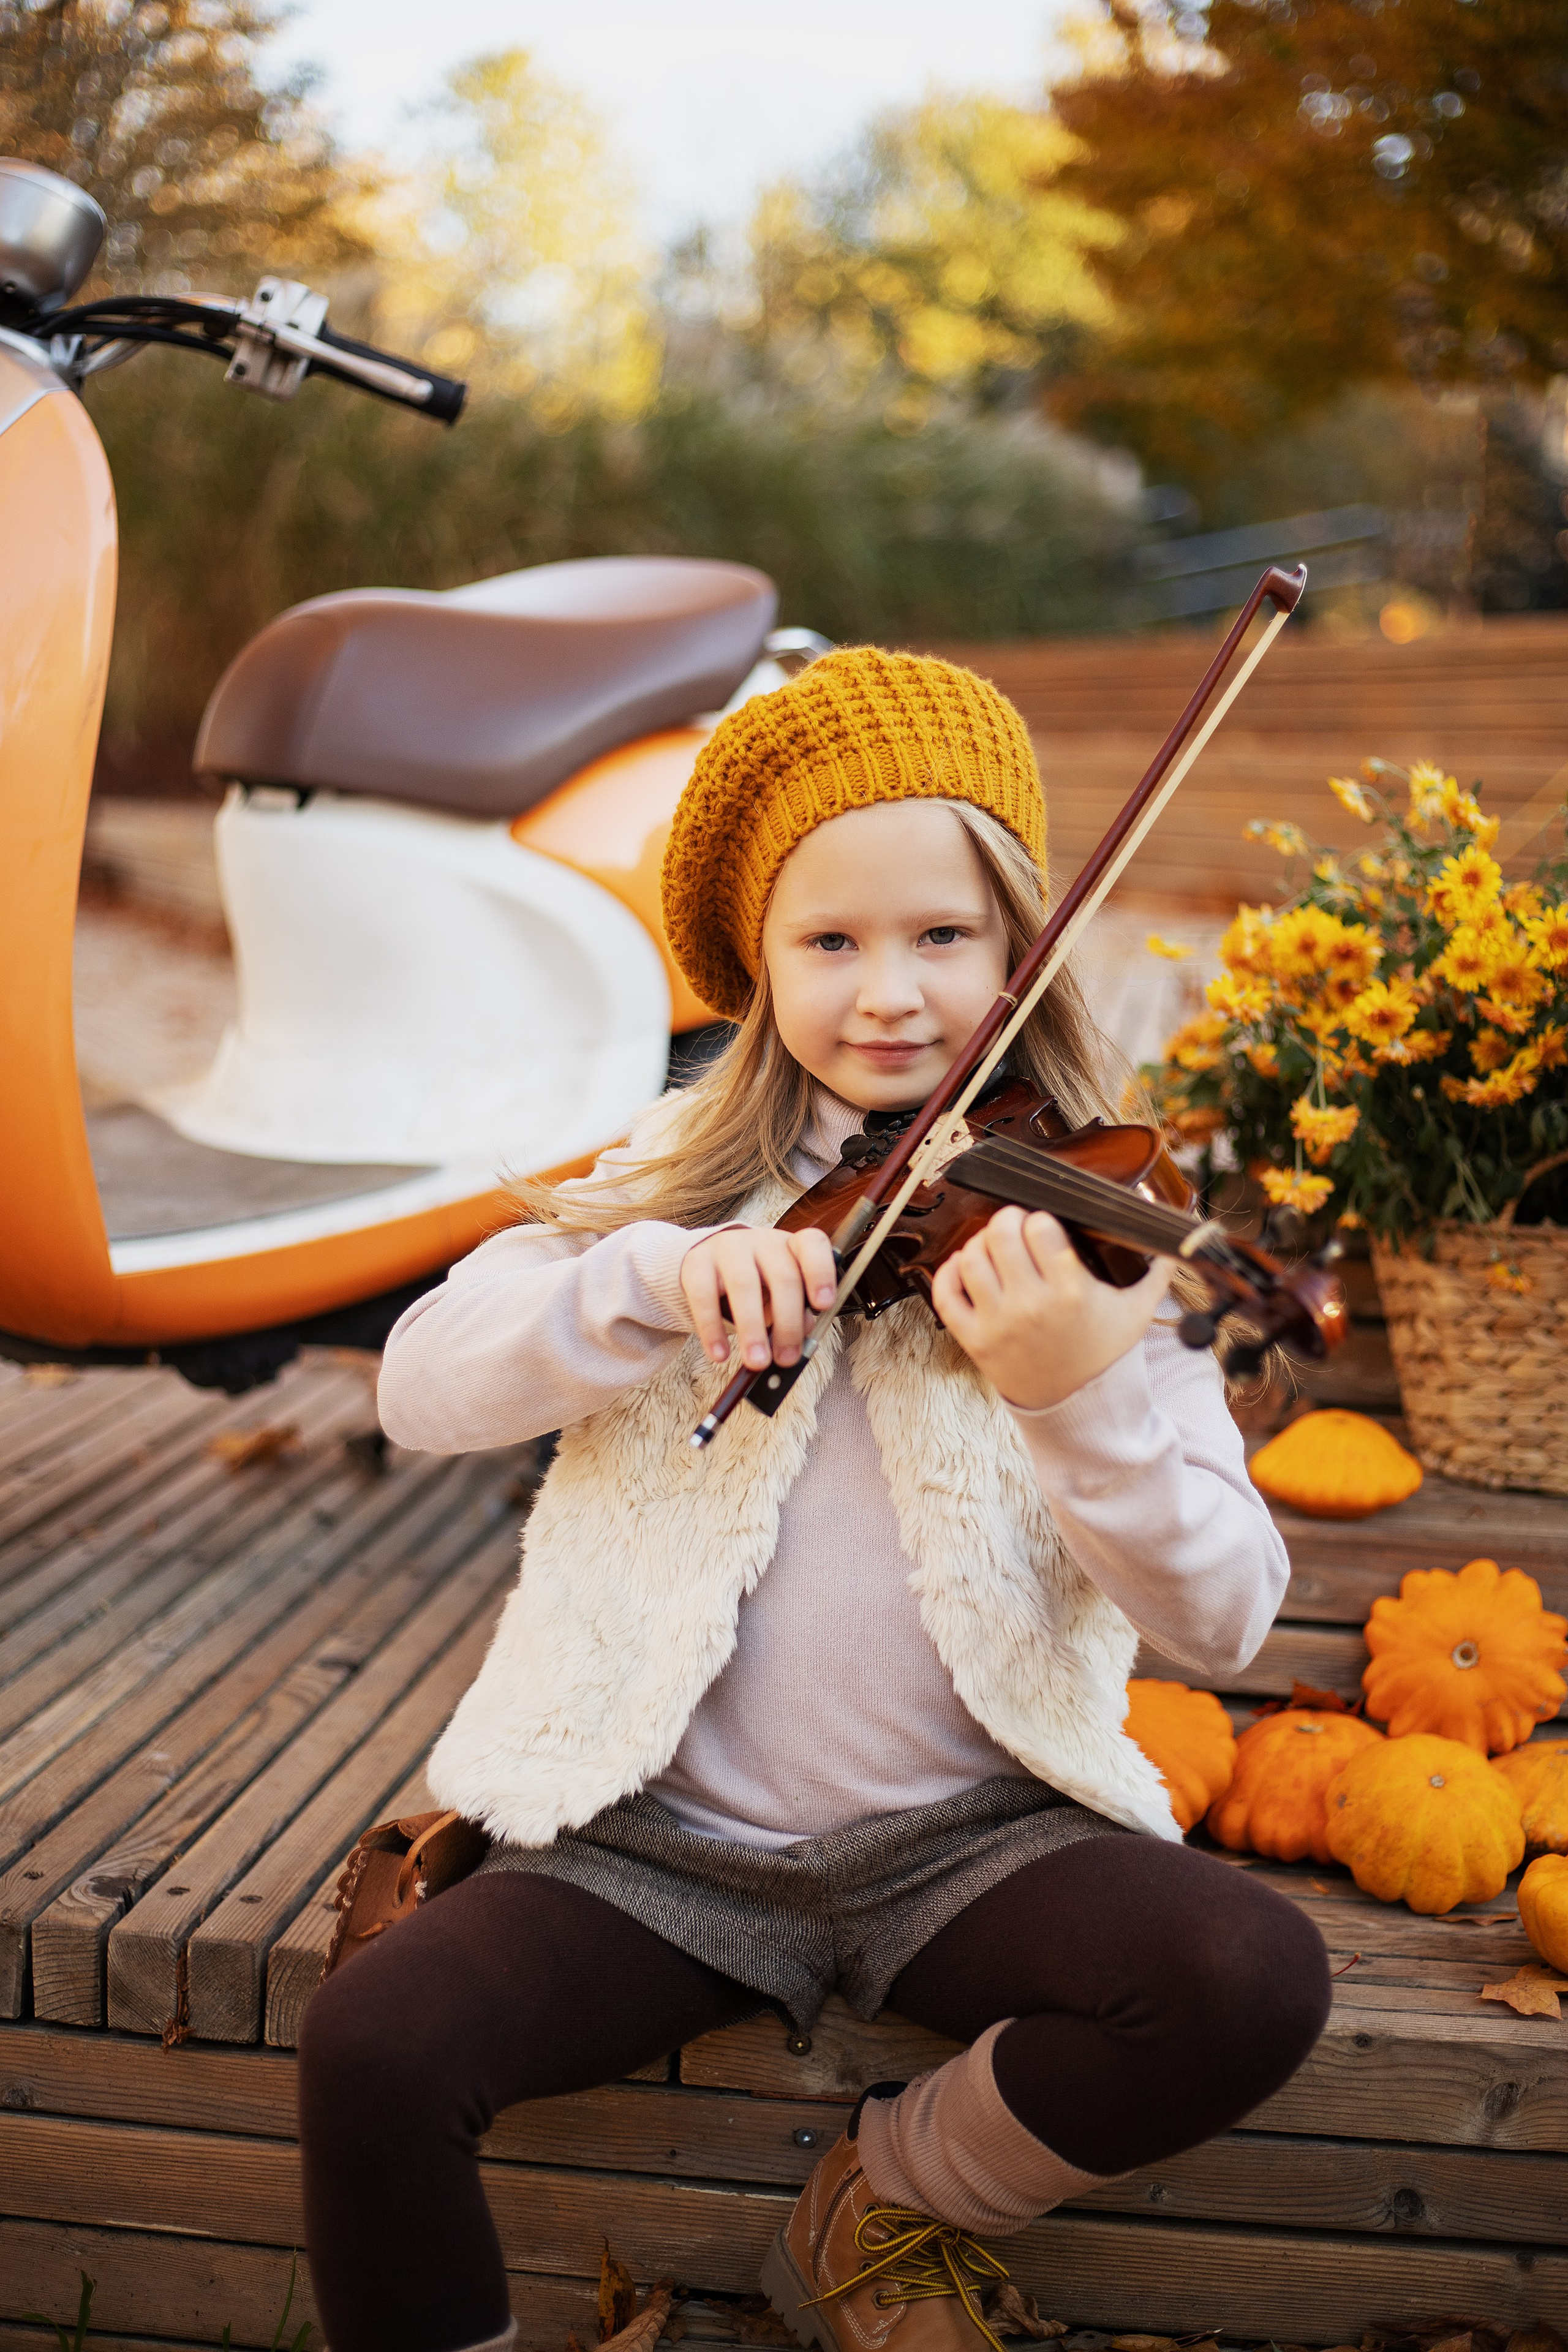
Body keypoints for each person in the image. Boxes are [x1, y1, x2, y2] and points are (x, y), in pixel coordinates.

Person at [297, 648, 1330, 2352]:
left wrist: (1077, 1395)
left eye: (942, 936)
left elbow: (1222, 1614)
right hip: (653, 1847)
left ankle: (898, 2194)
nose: (890, 993)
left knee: (1246, 1979)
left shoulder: (1092, 1242)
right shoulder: (676, 1189)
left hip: (973, 1840)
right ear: (760, 964)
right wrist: (644, 1281)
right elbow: (421, 1383)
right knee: (376, 2046)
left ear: (1018, 947)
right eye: (830, 941)